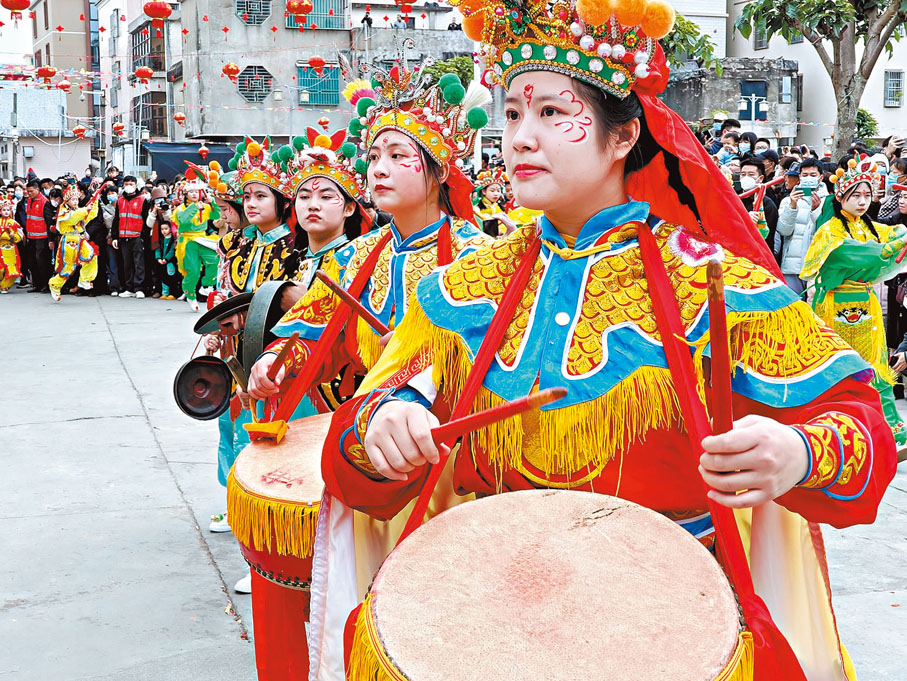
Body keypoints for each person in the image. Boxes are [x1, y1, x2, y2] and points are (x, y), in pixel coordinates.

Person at [319, 4, 896, 679]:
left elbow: (864, 430)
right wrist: (382, 426)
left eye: (551, 114)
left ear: (622, 136)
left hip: (664, 617)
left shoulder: (711, 281)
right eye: (510, 115)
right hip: (487, 606)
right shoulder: (460, 289)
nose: (520, 139)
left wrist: (796, 450)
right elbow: (353, 443)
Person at [246, 61, 493, 407]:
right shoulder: (352, 257)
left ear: (439, 171)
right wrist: (277, 359)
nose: (378, 168)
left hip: (451, 434)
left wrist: (429, 354)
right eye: (374, 156)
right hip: (362, 422)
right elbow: (313, 334)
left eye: (397, 155)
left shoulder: (479, 255)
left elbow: (503, 356)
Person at [801, 154, 907, 449]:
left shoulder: (870, 227)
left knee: (875, 364)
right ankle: (841, 421)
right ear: (840, 196)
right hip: (836, 305)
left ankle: (885, 423)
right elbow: (852, 253)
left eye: (867, 195)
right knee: (841, 364)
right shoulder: (830, 230)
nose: (862, 201)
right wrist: (888, 249)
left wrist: (898, 238)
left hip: (866, 304)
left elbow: (896, 235)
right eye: (855, 195)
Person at [776, 158, 827, 296]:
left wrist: (816, 210)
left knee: (814, 308)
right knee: (793, 306)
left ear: (821, 177)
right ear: (799, 177)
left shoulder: (830, 201)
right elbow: (784, 230)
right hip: (792, 266)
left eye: (813, 175)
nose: (808, 178)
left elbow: (827, 232)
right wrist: (792, 206)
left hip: (818, 266)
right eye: (805, 175)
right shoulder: (788, 200)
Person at [174, 177, 220, 310]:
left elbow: (217, 215)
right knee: (193, 271)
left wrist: (214, 203)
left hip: (202, 239)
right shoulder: (180, 208)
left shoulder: (205, 207)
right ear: (186, 194)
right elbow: (183, 221)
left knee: (215, 261)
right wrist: (195, 207)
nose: (194, 194)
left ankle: (207, 285)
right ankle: (190, 294)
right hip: (188, 242)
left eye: (196, 191)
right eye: (191, 191)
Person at [48, 183, 101, 302]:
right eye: (73, 199)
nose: (76, 201)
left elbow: (90, 215)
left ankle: (85, 279)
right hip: (68, 240)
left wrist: (94, 203)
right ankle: (55, 285)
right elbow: (72, 218)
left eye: (77, 199)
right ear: (67, 200)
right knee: (67, 267)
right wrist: (85, 209)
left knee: (91, 255)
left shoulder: (78, 210)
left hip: (79, 239)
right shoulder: (63, 210)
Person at [111, 175, 150, 299]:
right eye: (126, 184)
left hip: (137, 236)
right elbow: (116, 220)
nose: (129, 186)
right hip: (123, 236)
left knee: (139, 263)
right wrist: (115, 237)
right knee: (126, 263)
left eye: (131, 184)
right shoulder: (120, 200)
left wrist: (143, 236)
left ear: (136, 185)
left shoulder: (142, 199)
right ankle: (129, 288)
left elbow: (145, 219)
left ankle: (139, 288)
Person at [738, 156, 779, 260]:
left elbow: (766, 236)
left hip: (758, 258)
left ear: (760, 178)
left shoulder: (767, 204)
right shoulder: (733, 199)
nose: (745, 177)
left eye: (751, 175)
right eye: (743, 174)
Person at [472, 167, 517, 236]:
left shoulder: (501, 208)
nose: (496, 194)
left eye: (498, 191)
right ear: (484, 191)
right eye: (492, 191)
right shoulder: (476, 209)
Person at [146, 185, 172, 298]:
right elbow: (149, 224)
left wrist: (165, 210)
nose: (159, 202)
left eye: (161, 199)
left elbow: (170, 221)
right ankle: (157, 289)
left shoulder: (168, 208)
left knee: (168, 267)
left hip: (167, 239)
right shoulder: (151, 210)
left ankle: (170, 290)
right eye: (157, 200)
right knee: (155, 267)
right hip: (156, 240)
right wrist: (154, 211)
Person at [0, 198, 22, 292]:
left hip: (11, 248)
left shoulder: (14, 223)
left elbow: (20, 236)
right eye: (3, 210)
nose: (6, 212)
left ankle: (4, 286)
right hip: (1, 247)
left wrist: (14, 236)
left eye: (8, 210)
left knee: (12, 268)